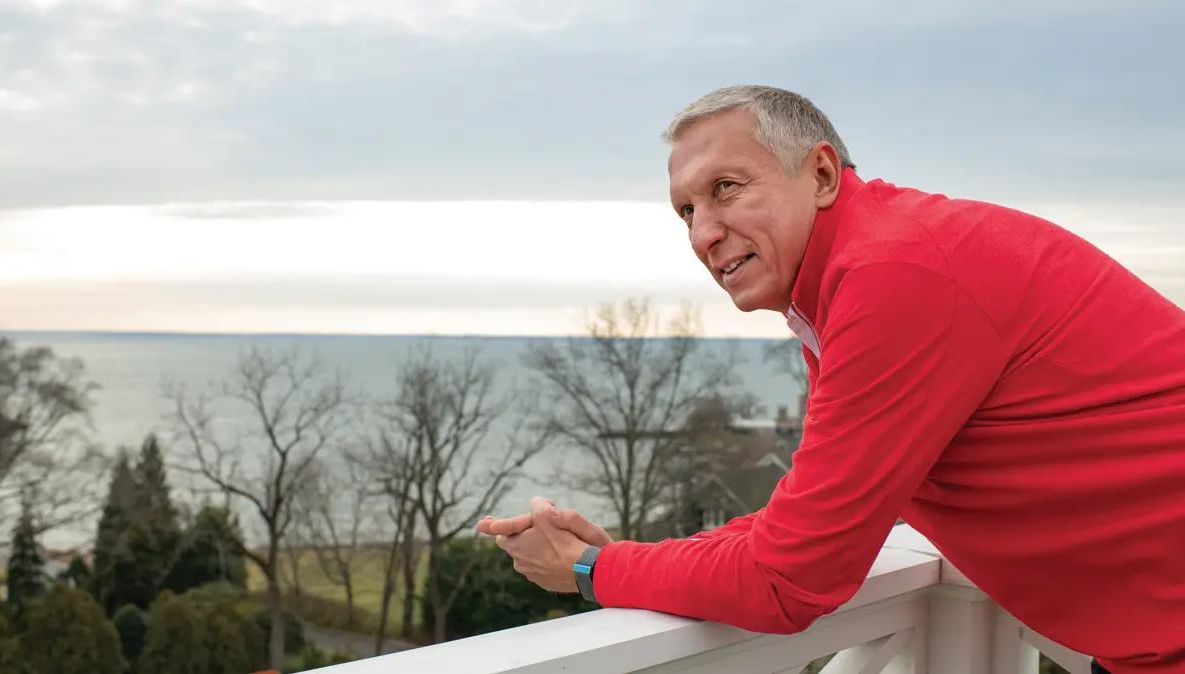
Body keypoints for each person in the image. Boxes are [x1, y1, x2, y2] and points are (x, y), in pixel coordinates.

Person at [476, 85, 1185, 674]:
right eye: (686, 211)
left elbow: (787, 582)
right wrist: (621, 558)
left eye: (725, 189)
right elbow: (807, 520)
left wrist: (588, 572)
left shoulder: (895, 277)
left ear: (819, 174)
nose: (702, 233)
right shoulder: (861, 276)